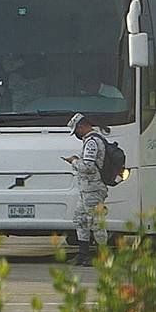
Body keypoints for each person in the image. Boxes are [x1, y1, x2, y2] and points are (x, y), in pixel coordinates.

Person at [62, 113, 108, 266]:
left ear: (82, 127)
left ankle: (103, 256)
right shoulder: (90, 140)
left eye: (76, 131)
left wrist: (74, 161)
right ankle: (83, 255)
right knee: (80, 219)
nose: (76, 134)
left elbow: (88, 167)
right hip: (86, 191)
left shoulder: (92, 142)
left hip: (93, 191)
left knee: (96, 223)